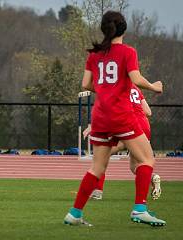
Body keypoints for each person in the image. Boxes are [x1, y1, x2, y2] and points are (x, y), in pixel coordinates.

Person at [63, 11, 166, 227]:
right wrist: (154, 87)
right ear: (124, 28)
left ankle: (74, 213)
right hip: (120, 114)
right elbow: (136, 78)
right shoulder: (128, 52)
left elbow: (85, 84)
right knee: (147, 160)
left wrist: (104, 88)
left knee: (97, 168)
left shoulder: (94, 55)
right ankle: (139, 209)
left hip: (100, 115)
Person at [84, 84, 161, 201]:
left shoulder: (117, 86)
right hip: (144, 126)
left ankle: (97, 191)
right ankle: (152, 178)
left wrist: (93, 126)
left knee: (102, 156)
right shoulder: (136, 88)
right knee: (135, 166)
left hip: (128, 124)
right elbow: (148, 111)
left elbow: (107, 107)